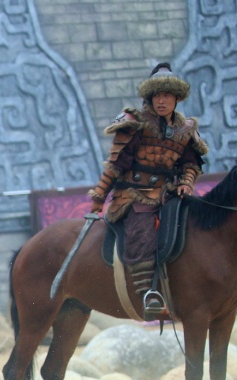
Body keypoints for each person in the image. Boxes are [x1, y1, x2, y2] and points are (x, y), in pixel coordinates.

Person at [88, 63, 207, 320]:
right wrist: (99, 196)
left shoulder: (185, 129)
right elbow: (116, 165)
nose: (162, 101)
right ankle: (148, 293)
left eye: (167, 96)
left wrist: (187, 181)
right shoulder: (134, 123)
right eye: (157, 96)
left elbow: (191, 163)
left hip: (171, 193)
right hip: (134, 193)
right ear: (149, 98)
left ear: (176, 98)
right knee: (142, 227)